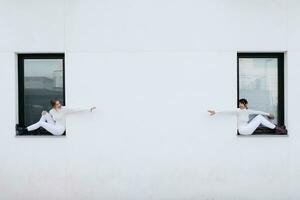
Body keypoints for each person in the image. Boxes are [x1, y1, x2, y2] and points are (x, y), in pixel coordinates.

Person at [207, 98, 286, 135]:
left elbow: (257, 112)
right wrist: (216, 112)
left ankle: (277, 128)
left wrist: (268, 114)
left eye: (241, 103)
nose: (240, 105)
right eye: (239, 103)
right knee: (259, 118)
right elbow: (227, 111)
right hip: (242, 131)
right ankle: (278, 129)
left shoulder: (248, 111)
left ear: (245, 104)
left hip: (247, 128)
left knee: (259, 116)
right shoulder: (238, 110)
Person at [19, 99, 96, 136]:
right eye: (57, 104)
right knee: (44, 113)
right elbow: (52, 120)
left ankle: (26, 130)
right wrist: (44, 113)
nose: (59, 105)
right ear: (53, 106)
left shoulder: (64, 109)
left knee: (41, 123)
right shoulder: (52, 111)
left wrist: (89, 109)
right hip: (55, 126)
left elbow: (76, 110)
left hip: (59, 130)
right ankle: (37, 128)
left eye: (59, 103)